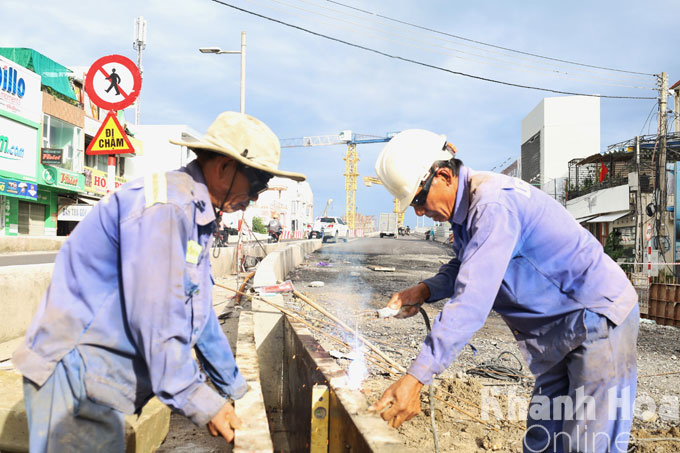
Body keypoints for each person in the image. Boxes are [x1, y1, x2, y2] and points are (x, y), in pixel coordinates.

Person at [12, 112, 306, 451]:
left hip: (98, 380)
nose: (255, 197)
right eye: (257, 183)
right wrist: (201, 401)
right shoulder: (166, 208)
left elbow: (200, 316)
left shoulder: (196, 212)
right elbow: (156, 318)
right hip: (72, 379)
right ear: (224, 168)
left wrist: (238, 389)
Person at [369, 129, 638, 453]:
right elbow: (468, 265)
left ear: (442, 176)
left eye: (418, 199)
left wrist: (416, 378)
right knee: (544, 441)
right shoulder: (467, 212)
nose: (419, 212)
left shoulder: (492, 204)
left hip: (595, 318)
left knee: (589, 445)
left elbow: (471, 302)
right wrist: (425, 290)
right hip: (559, 330)